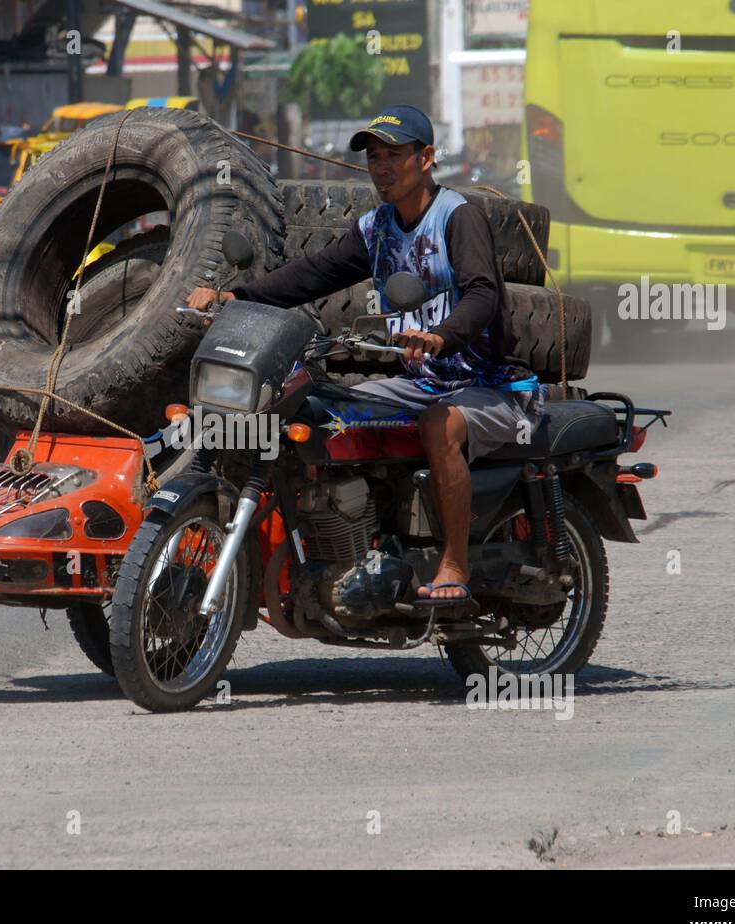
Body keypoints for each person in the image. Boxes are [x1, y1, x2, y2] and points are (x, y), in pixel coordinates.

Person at [186, 105, 544, 602]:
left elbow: (484, 293)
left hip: (488, 385)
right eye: (375, 156)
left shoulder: (458, 217)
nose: (381, 167)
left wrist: (441, 335)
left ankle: (454, 564)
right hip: (420, 382)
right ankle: (354, 546)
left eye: (394, 155)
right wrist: (237, 299)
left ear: (427, 158)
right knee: (327, 413)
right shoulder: (376, 228)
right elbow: (316, 272)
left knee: (441, 424)